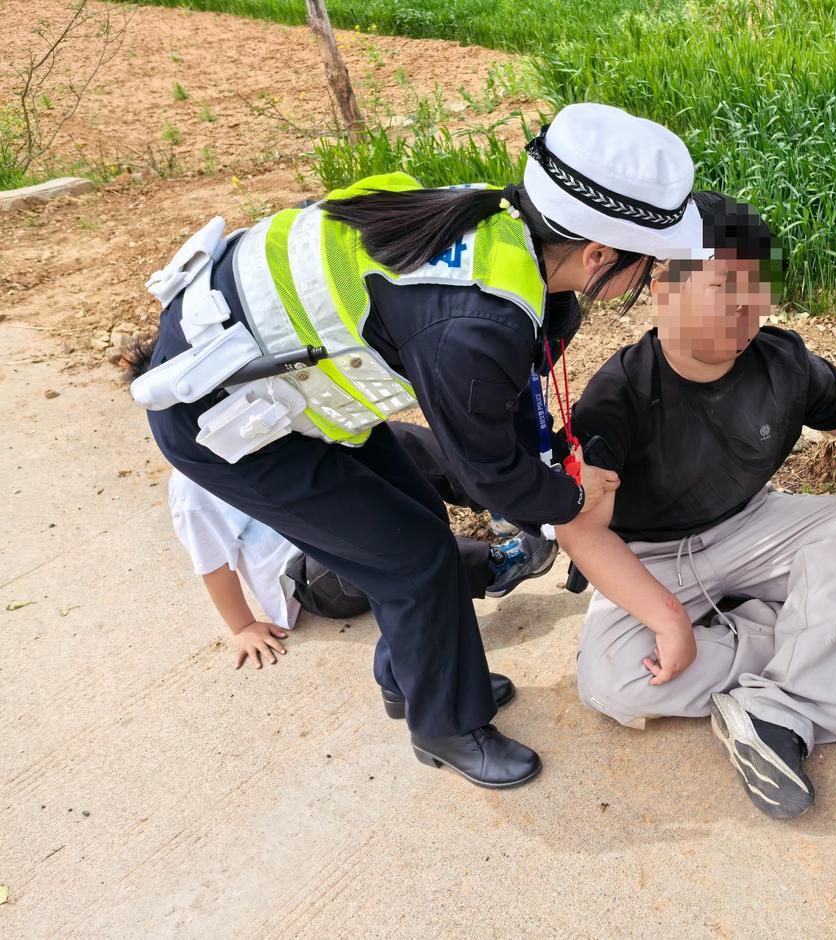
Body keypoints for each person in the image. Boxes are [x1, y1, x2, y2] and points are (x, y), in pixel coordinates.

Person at [133, 102, 711, 789]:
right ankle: (445, 726)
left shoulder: (497, 225)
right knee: (413, 559)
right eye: (645, 271)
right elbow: (488, 469)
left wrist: (555, 472)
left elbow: (508, 403)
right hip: (227, 421)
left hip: (290, 383)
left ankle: (415, 677)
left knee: (412, 524)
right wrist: (571, 499)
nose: (642, 288)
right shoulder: (472, 323)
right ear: (597, 255)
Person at [556, 193, 836, 818]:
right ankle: (824, 648)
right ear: (664, 284)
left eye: (758, 289)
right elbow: (582, 533)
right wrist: (666, 620)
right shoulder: (616, 398)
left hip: (751, 525)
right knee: (609, 679)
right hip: (647, 556)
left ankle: (773, 712)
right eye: (725, 288)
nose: (748, 311)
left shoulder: (783, 363)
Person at [162, 422, 557, 671]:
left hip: (337, 506)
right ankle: (493, 565)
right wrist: (243, 626)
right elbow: (213, 564)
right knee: (395, 547)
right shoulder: (193, 487)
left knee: (393, 439)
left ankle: (499, 497)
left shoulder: (257, 418)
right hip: (307, 573)